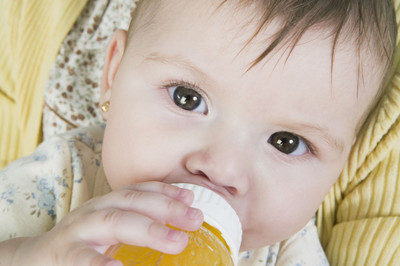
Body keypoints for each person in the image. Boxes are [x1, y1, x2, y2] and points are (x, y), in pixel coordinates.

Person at [0, 0, 396, 265]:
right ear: (113, 75)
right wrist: (25, 256)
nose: (221, 169)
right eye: (188, 98)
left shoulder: (288, 251)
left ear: (342, 165)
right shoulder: (63, 177)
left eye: (286, 142)